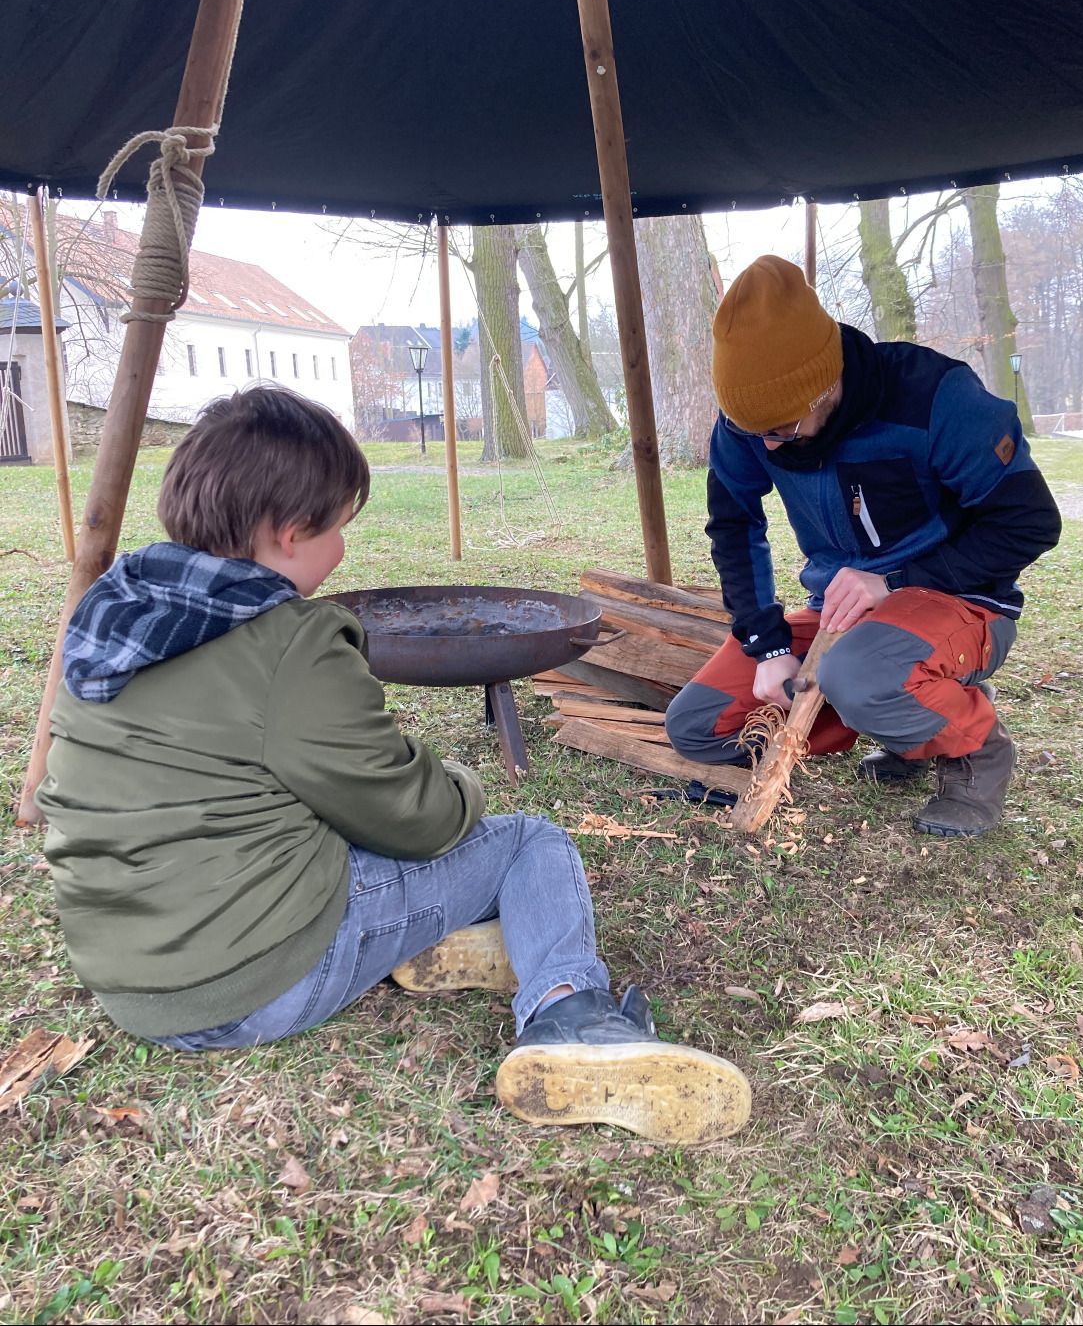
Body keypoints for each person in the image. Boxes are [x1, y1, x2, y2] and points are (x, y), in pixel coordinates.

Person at [37, 386, 750, 1145]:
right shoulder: (287, 642)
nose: (343, 547)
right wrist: (464, 786)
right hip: (244, 984)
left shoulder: (117, 614)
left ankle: (460, 945)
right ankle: (575, 1021)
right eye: (340, 526)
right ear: (290, 532)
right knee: (528, 841)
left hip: (129, 978)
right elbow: (417, 817)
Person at [665, 255, 1062, 837]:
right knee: (697, 726)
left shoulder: (934, 398)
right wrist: (767, 645)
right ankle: (900, 713)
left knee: (860, 673)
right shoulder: (748, 424)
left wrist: (892, 582)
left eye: (781, 430)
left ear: (825, 386)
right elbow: (734, 526)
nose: (768, 449)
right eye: (753, 433)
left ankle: (976, 746)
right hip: (842, 615)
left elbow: (1030, 522)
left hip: (962, 601)